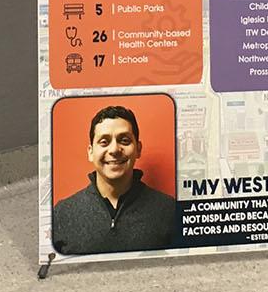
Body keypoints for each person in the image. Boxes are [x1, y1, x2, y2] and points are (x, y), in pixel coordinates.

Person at [50, 104, 178, 255]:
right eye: (104, 142)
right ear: (91, 152)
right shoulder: (62, 213)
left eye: (124, 140)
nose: (114, 150)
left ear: (138, 149)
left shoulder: (171, 211)